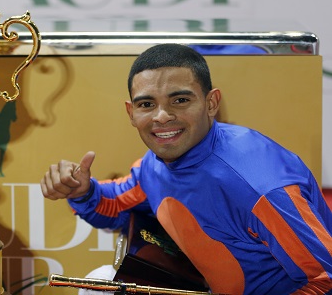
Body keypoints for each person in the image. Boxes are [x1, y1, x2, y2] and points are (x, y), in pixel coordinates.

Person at [40, 43, 332, 295]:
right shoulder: (155, 164)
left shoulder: (262, 186)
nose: (163, 116)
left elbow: (325, 281)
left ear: (211, 102)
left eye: (180, 100)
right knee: (99, 282)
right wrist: (82, 191)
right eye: (147, 104)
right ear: (131, 113)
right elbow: (114, 206)